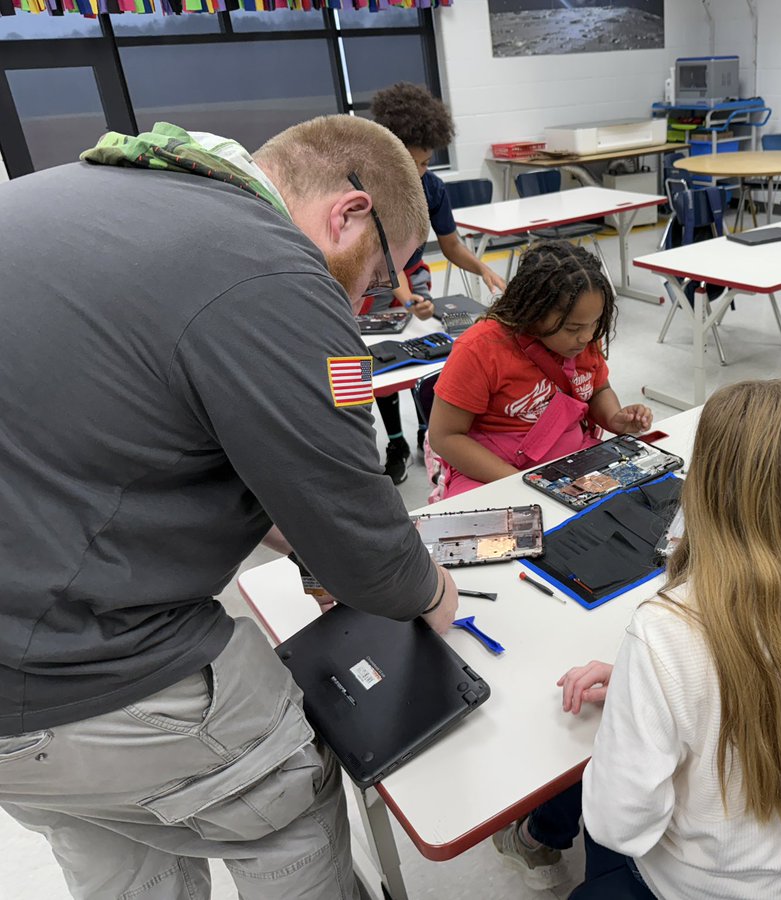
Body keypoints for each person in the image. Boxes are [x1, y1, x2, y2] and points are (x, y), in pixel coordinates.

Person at [0, 115, 459, 900]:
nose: (365, 301)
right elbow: (374, 554)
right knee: (286, 801)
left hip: (27, 696)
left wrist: (308, 534)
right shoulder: (271, 269)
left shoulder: (89, 194)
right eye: (380, 277)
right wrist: (430, 589)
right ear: (349, 212)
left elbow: (119, 436)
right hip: (90, 671)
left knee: (119, 853)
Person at [554, 380, 781, 899]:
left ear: (701, 485)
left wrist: (638, 701)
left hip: (706, 886)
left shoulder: (666, 629)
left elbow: (621, 826)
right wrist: (650, 690)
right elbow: (758, 672)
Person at [428, 239, 652, 498]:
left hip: (574, 460)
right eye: (573, 328)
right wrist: (519, 482)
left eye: (594, 324)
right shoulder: (480, 348)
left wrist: (614, 418)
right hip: (494, 471)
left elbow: (599, 389)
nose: (587, 337)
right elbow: (445, 437)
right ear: (533, 312)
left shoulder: (586, 338)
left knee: (633, 505)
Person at [368, 81, 508, 482]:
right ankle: (394, 440)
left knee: (430, 353)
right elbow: (377, 259)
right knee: (381, 367)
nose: (420, 172)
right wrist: (406, 298)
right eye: (410, 163)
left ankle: (429, 434)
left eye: (426, 162)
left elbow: (449, 244)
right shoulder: (369, 193)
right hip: (372, 285)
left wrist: (481, 268)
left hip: (411, 276)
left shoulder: (432, 189)